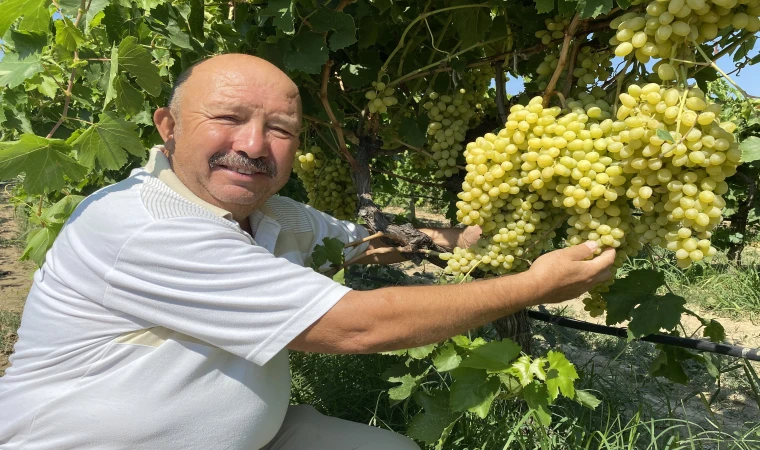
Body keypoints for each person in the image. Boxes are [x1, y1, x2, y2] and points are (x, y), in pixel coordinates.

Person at [0, 54, 616, 449]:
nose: (253, 144)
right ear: (167, 126)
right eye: (228, 118)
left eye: (280, 130)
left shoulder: (272, 214)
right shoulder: (142, 225)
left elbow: (367, 244)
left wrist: (488, 232)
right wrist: (533, 285)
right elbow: (356, 327)